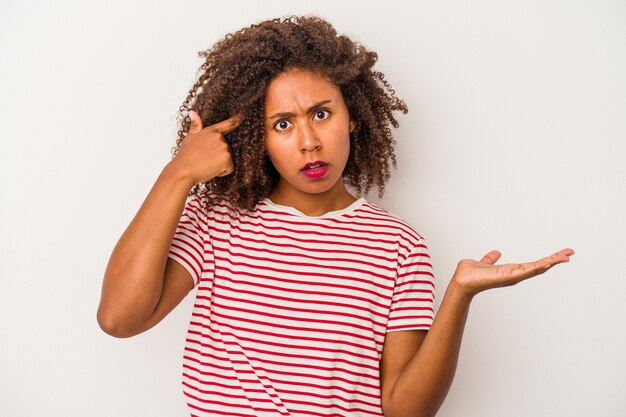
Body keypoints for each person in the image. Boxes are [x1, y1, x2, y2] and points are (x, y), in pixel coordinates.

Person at [97, 15, 574, 417]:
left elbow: (403, 409)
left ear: (353, 117)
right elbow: (119, 319)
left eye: (321, 114)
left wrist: (459, 295)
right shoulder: (218, 218)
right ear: (256, 139)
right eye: (282, 124)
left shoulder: (398, 246)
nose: (308, 141)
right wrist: (177, 175)